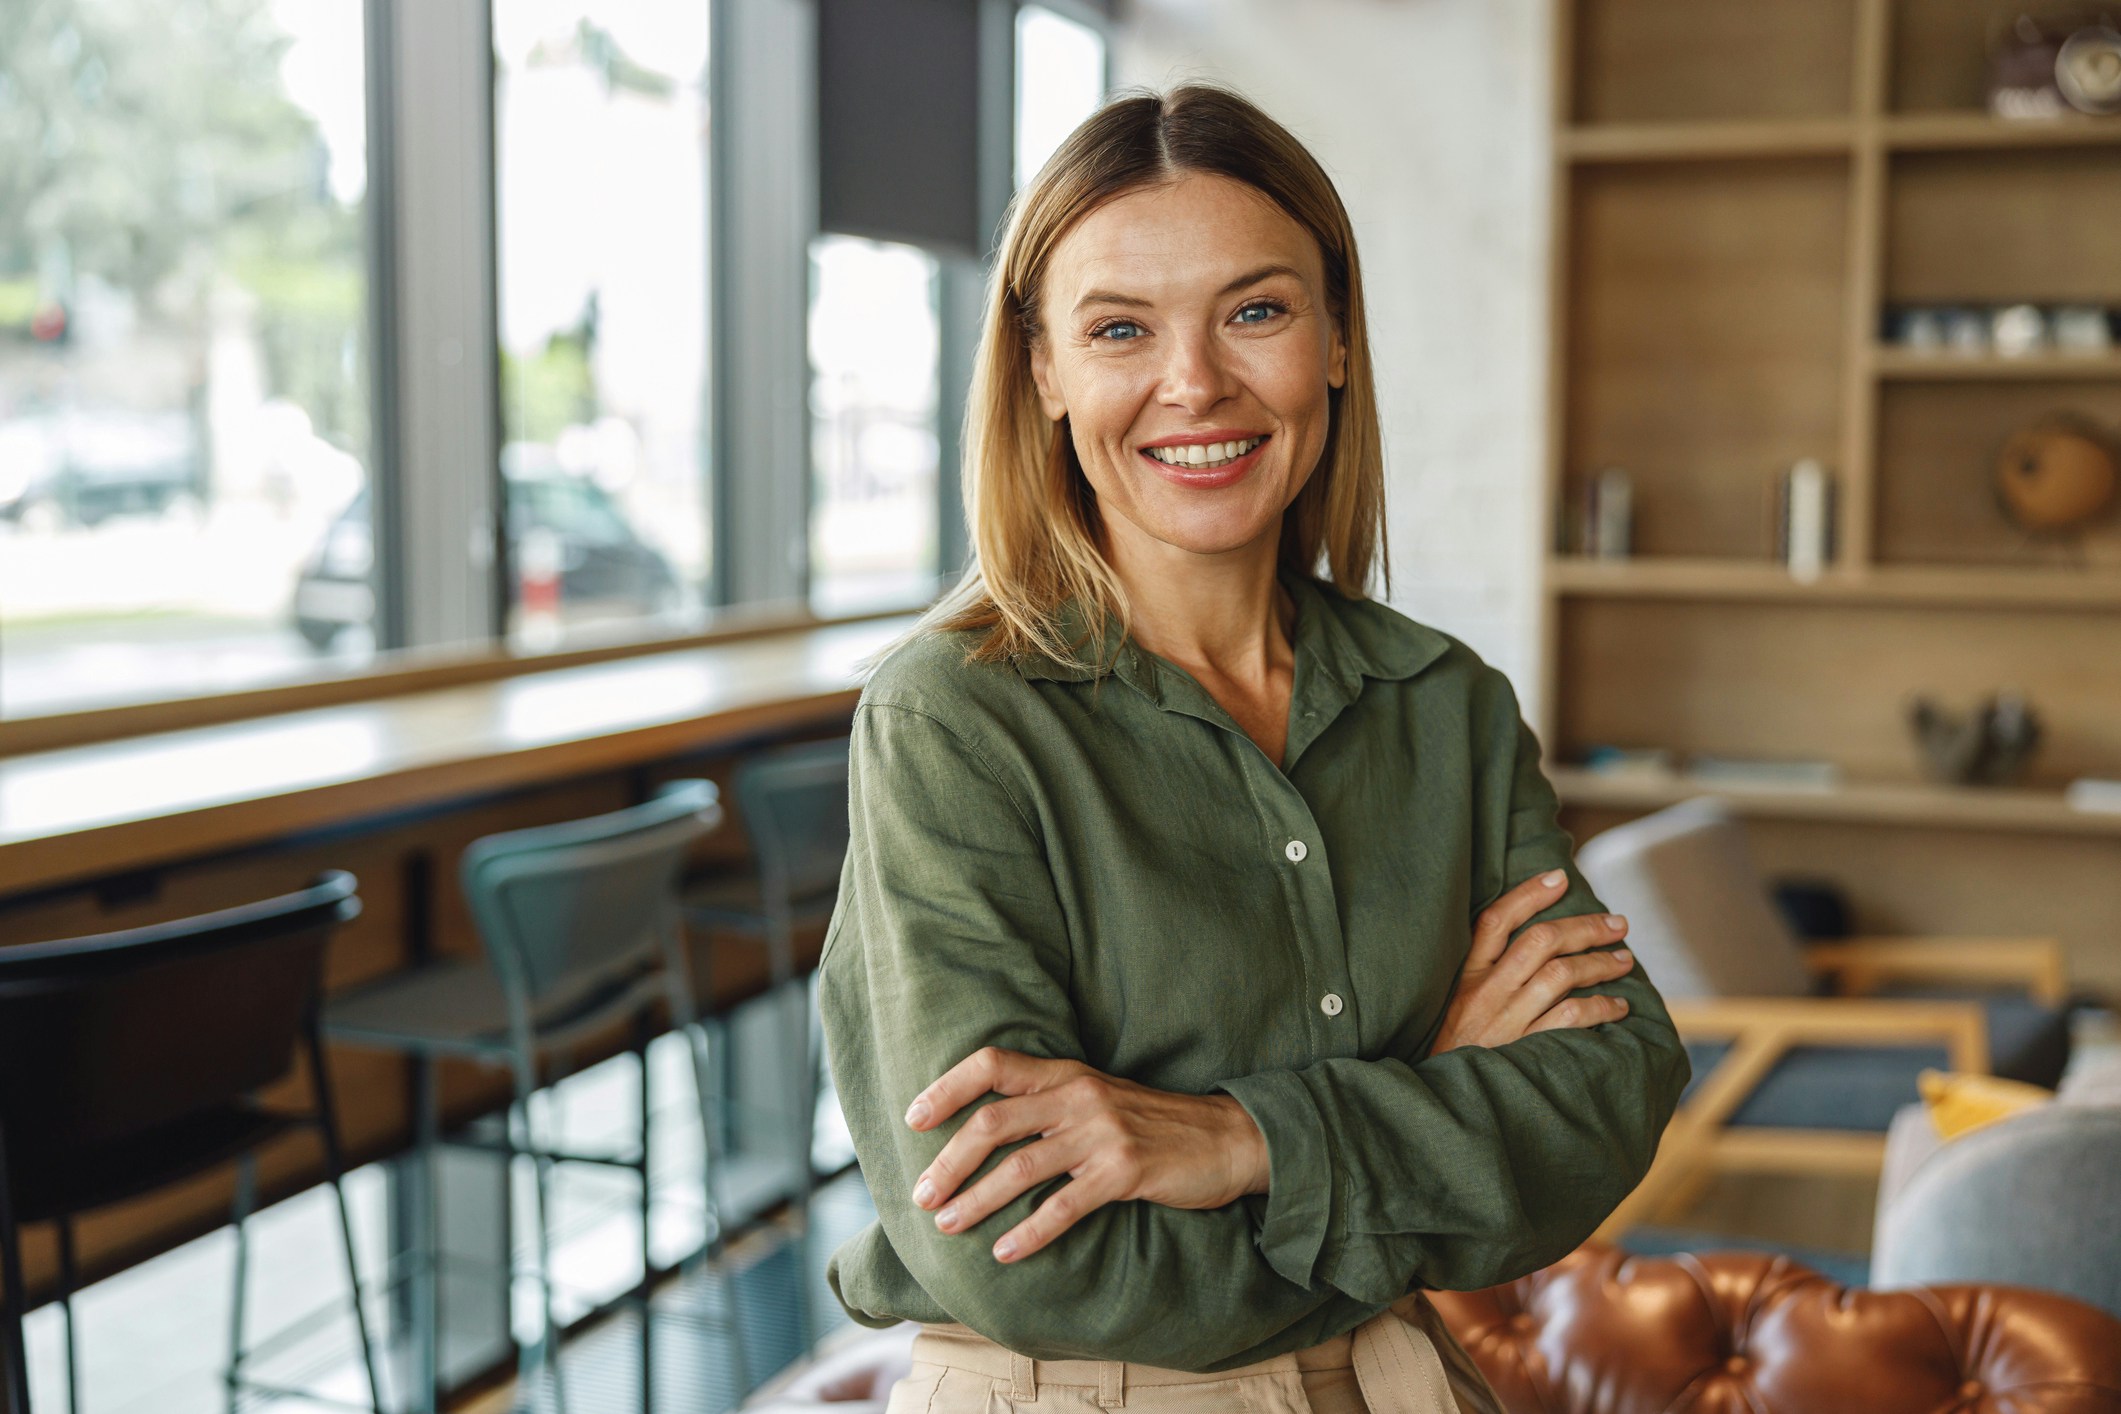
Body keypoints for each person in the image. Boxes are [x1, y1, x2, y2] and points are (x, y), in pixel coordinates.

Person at [815, 82, 1690, 1414]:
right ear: (1043, 369)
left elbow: (1606, 1096)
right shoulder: (955, 718)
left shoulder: (1445, 706)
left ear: (1333, 338)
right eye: (1118, 328)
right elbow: (1016, 1249)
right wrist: (1426, 1106)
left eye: (1255, 310)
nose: (1194, 384)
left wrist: (1239, 1140)